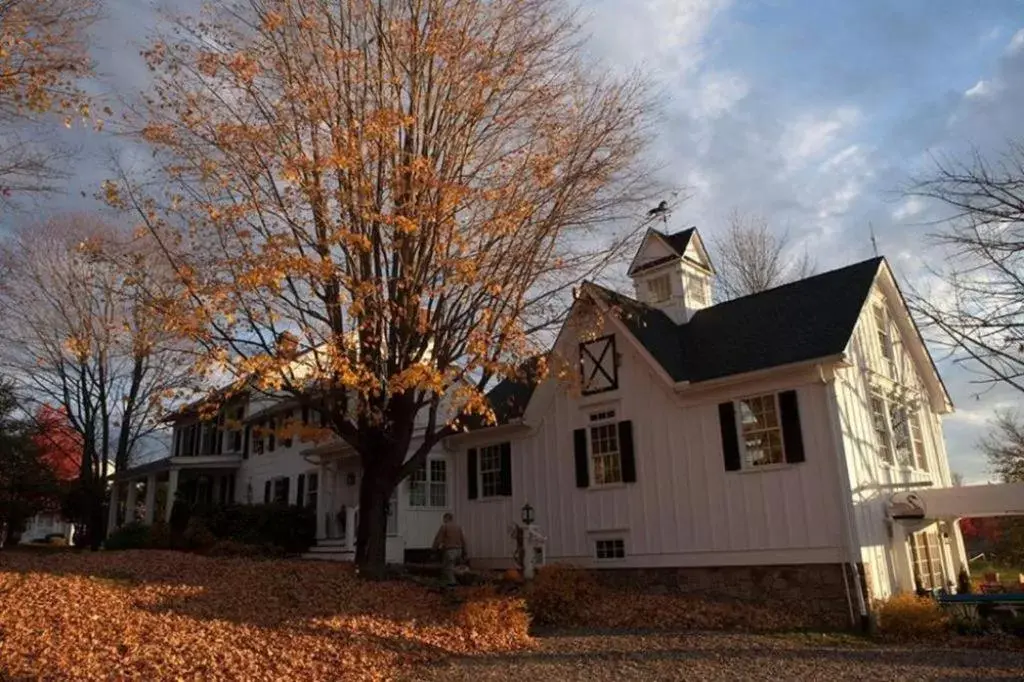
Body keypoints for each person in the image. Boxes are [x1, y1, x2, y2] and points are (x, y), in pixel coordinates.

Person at [432, 512, 467, 586]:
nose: (443, 520)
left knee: (448, 568)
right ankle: (456, 581)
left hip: (450, 550)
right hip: (459, 550)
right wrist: (465, 551)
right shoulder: (458, 527)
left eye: (444, 519)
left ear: (446, 518)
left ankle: (452, 584)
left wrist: (434, 549)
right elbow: (463, 540)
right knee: (453, 567)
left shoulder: (444, 527)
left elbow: (438, 539)